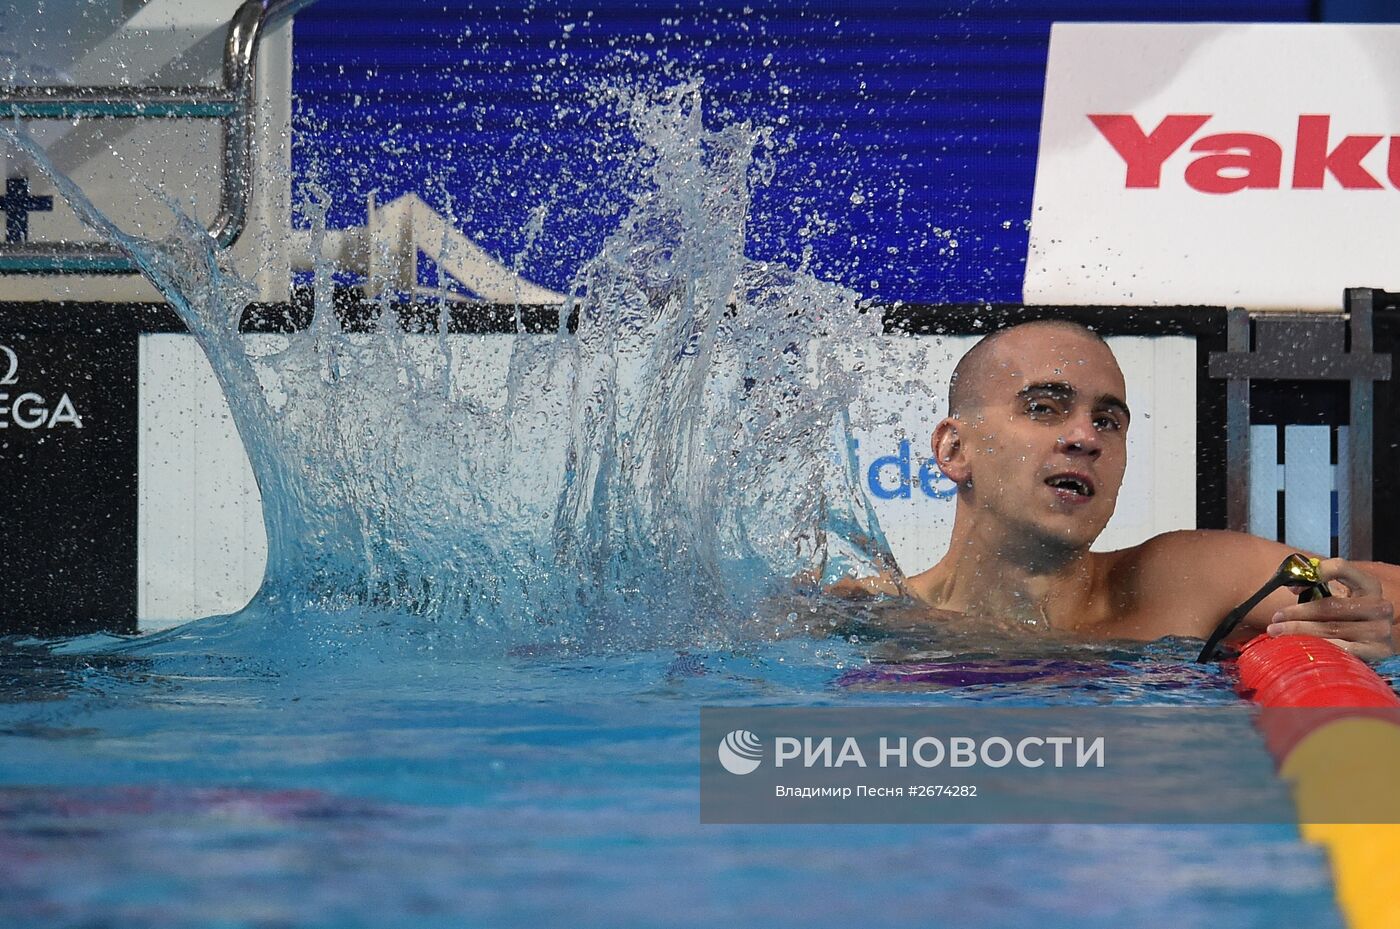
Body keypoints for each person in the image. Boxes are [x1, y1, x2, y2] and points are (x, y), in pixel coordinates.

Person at [835, 319, 1399, 661]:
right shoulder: (869, 618)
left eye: (1108, 421)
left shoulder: (1183, 582)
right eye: (1042, 408)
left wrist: (1371, 615)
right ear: (954, 451)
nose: (1085, 437)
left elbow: (1349, 587)